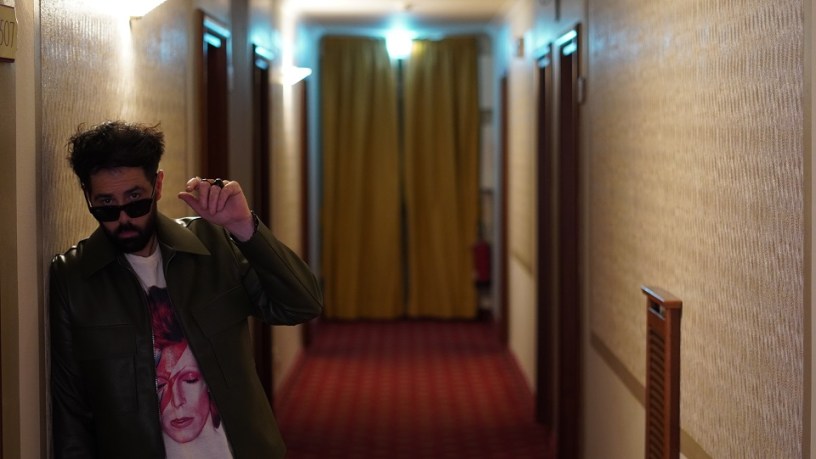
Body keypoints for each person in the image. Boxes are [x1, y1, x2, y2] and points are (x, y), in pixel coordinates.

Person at [49, 120, 323, 459]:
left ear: (158, 185)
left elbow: (302, 304)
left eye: (135, 201)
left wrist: (243, 227)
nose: (123, 219)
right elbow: (72, 408)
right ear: (87, 196)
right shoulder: (74, 277)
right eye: (106, 205)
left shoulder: (211, 245)